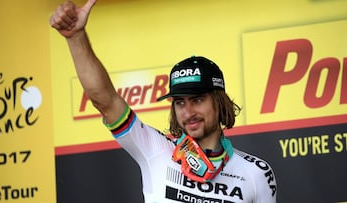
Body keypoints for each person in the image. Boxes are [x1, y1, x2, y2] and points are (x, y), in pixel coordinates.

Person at [50, 0, 277, 202]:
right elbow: (105, 100)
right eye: (179, 102)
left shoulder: (256, 173)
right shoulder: (156, 148)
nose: (188, 112)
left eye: (197, 99)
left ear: (219, 102)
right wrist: (76, 38)